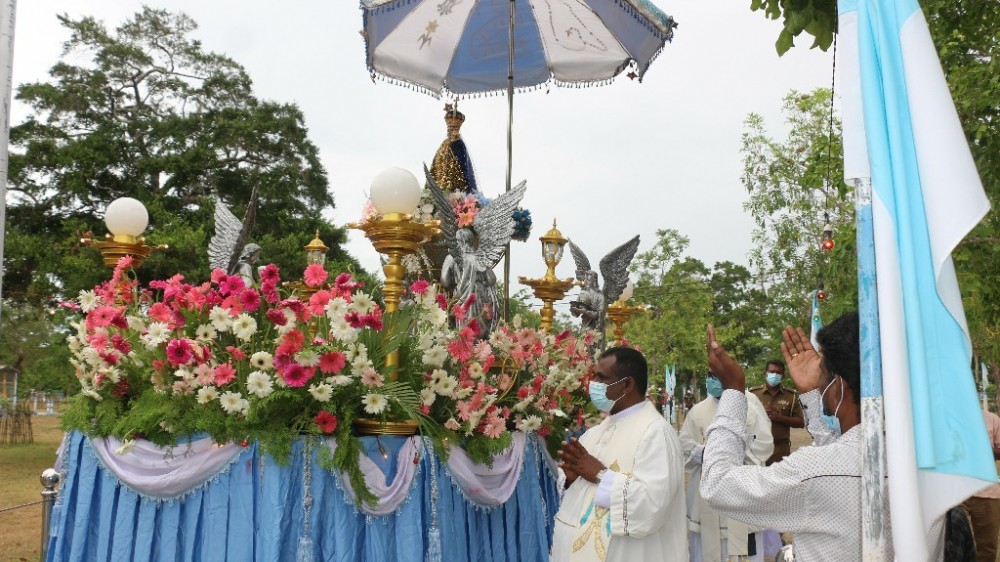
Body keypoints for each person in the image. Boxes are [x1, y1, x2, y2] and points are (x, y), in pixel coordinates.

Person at [699, 312, 945, 561]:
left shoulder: (814, 471)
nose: (818, 383)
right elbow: (847, 455)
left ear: (838, 386)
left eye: (822, 374)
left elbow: (717, 485)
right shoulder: (931, 463)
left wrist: (732, 391)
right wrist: (812, 395)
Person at [552, 346, 687, 562]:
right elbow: (577, 496)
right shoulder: (595, 433)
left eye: (601, 378)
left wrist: (600, 474)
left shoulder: (656, 433)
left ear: (627, 384)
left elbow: (652, 506)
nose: (592, 383)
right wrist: (570, 479)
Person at [680, 374, 773, 561]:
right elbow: (683, 446)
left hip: (742, 493)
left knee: (746, 552)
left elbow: (764, 444)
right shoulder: (697, 411)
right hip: (708, 498)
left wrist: (729, 450)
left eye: (717, 374)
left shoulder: (751, 404)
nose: (713, 380)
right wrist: (704, 452)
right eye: (709, 376)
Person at [961, 407, 1000, 562]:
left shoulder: (991, 419)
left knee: (987, 547)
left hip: (987, 492)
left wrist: (986, 449)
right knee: (951, 541)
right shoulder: (945, 417)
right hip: (955, 492)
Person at [748, 360, 804, 466]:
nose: (775, 375)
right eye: (772, 372)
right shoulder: (753, 394)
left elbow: (801, 422)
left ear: (783, 376)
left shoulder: (791, 396)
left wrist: (780, 418)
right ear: (765, 373)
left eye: (778, 373)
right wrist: (760, 413)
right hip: (756, 449)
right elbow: (743, 419)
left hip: (780, 451)